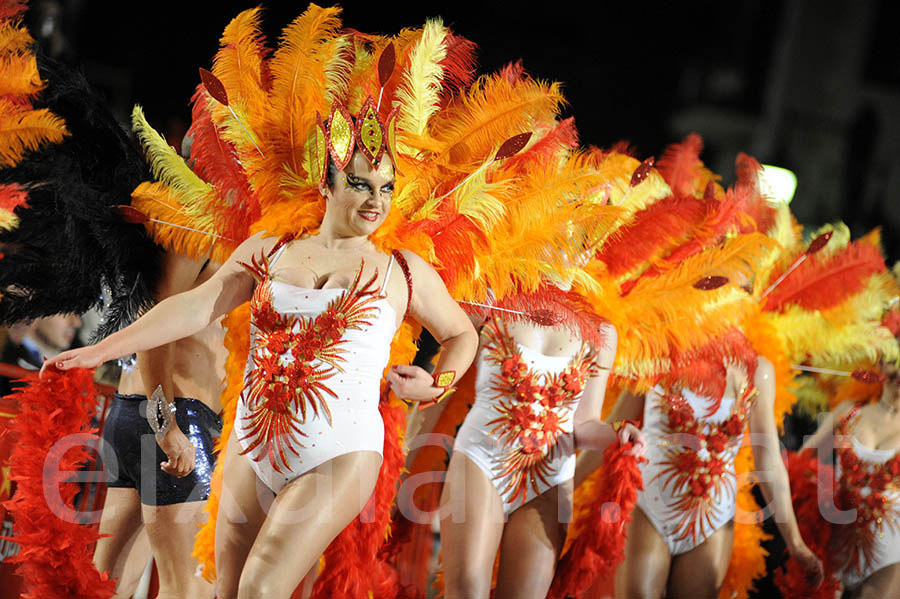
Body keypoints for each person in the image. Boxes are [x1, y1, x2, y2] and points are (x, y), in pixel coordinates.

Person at [46, 147, 479, 598]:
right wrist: (101, 349)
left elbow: (461, 335)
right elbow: (195, 307)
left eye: (386, 188)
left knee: (261, 587)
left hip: (340, 453)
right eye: (360, 184)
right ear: (325, 183)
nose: (376, 200)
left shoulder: (403, 271)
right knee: (227, 592)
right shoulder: (270, 249)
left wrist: (436, 384)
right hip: (252, 448)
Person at [581, 355, 823, 598]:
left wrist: (796, 542)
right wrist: (567, 486)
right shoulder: (659, 352)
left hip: (713, 518)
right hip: (649, 507)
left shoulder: (758, 371)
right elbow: (613, 430)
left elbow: (768, 461)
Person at [439, 313, 644, 598]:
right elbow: (449, 353)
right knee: (466, 591)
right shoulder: (493, 299)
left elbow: (582, 426)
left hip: (549, 480)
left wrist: (619, 432)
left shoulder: (601, 330)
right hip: (481, 461)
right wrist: (430, 387)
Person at [93, 252, 224, 599]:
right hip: (175, 419)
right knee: (188, 588)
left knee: (103, 588)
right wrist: (165, 422)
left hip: (148, 414)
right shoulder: (193, 229)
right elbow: (153, 320)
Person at [800, 359, 900, 597]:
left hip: (891, 551)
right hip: (835, 542)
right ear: (880, 363)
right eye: (895, 361)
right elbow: (801, 462)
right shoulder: (849, 411)